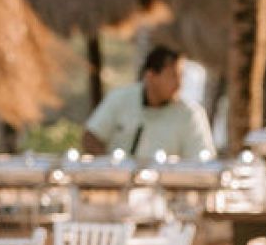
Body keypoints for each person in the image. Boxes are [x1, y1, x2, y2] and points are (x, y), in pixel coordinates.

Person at [81, 44, 216, 163]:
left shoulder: (190, 114)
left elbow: (202, 160)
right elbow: (91, 136)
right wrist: (111, 168)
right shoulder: (120, 98)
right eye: (172, 76)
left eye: (181, 76)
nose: (179, 84)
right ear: (151, 76)